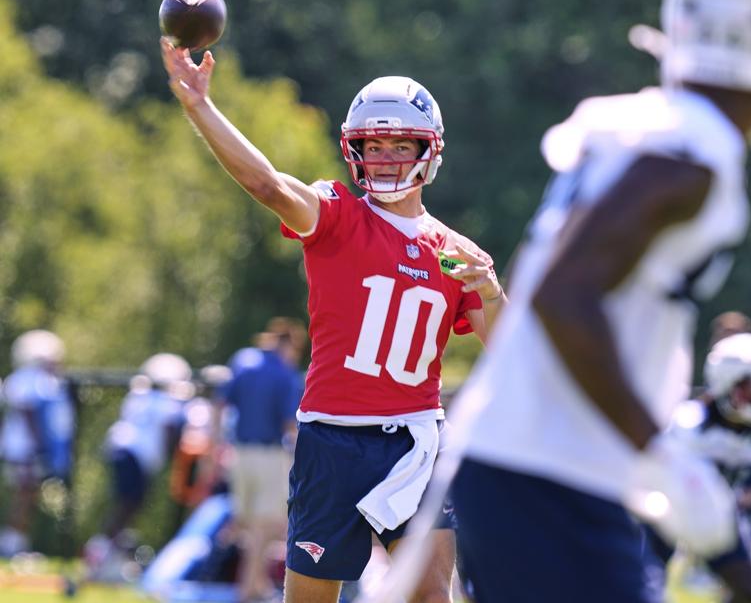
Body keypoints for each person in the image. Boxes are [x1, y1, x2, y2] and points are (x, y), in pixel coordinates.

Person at [444, 0, 751, 601]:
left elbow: (539, 280)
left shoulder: (647, 125)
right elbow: (561, 293)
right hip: (552, 474)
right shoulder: (695, 153)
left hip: (531, 462)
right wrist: (659, 454)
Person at [160, 35, 507, 603]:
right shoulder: (338, 214)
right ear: (355, 151)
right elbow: (267, 184)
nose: (387, 158)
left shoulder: (456, 251)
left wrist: (491, 293)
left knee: (431, 596)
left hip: (417, 441)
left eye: (402, 146)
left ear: (431, 151)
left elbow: (515, 355)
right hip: (332, 440)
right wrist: (200, 105)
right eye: (375, 145)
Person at [642, 333, 751, 603]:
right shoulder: (686, 426)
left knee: (750, 591)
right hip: (664, 513)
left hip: (719, 515)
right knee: (643, 588)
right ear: (725, 382)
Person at [212, 318, 306, 603]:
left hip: (238, 453)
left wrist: (216, 447)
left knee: (248, 524)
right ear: (289, 342)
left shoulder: (243, 360)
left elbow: (219, 405)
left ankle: (255, 585)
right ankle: (248, 589)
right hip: (268, 455)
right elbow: (289, 424)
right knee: (266, 525)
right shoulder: (283, 372)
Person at [84, 353, 193, 580]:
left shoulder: (139, 395)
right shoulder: (166, 401)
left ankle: (106, 553)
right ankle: (100, 554)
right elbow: (168, 431)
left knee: (127, 505)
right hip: (136, 454)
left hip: (120, 448)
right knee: (127, 505)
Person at [0, 329, 74, 557]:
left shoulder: (36, 380)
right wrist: (40, 444)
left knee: (27, 495)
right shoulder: (28, 379)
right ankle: (10, 545)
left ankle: (16, 543)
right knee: (24, 495)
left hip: (27, 448)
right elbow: (28, 411)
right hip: (24, 448)